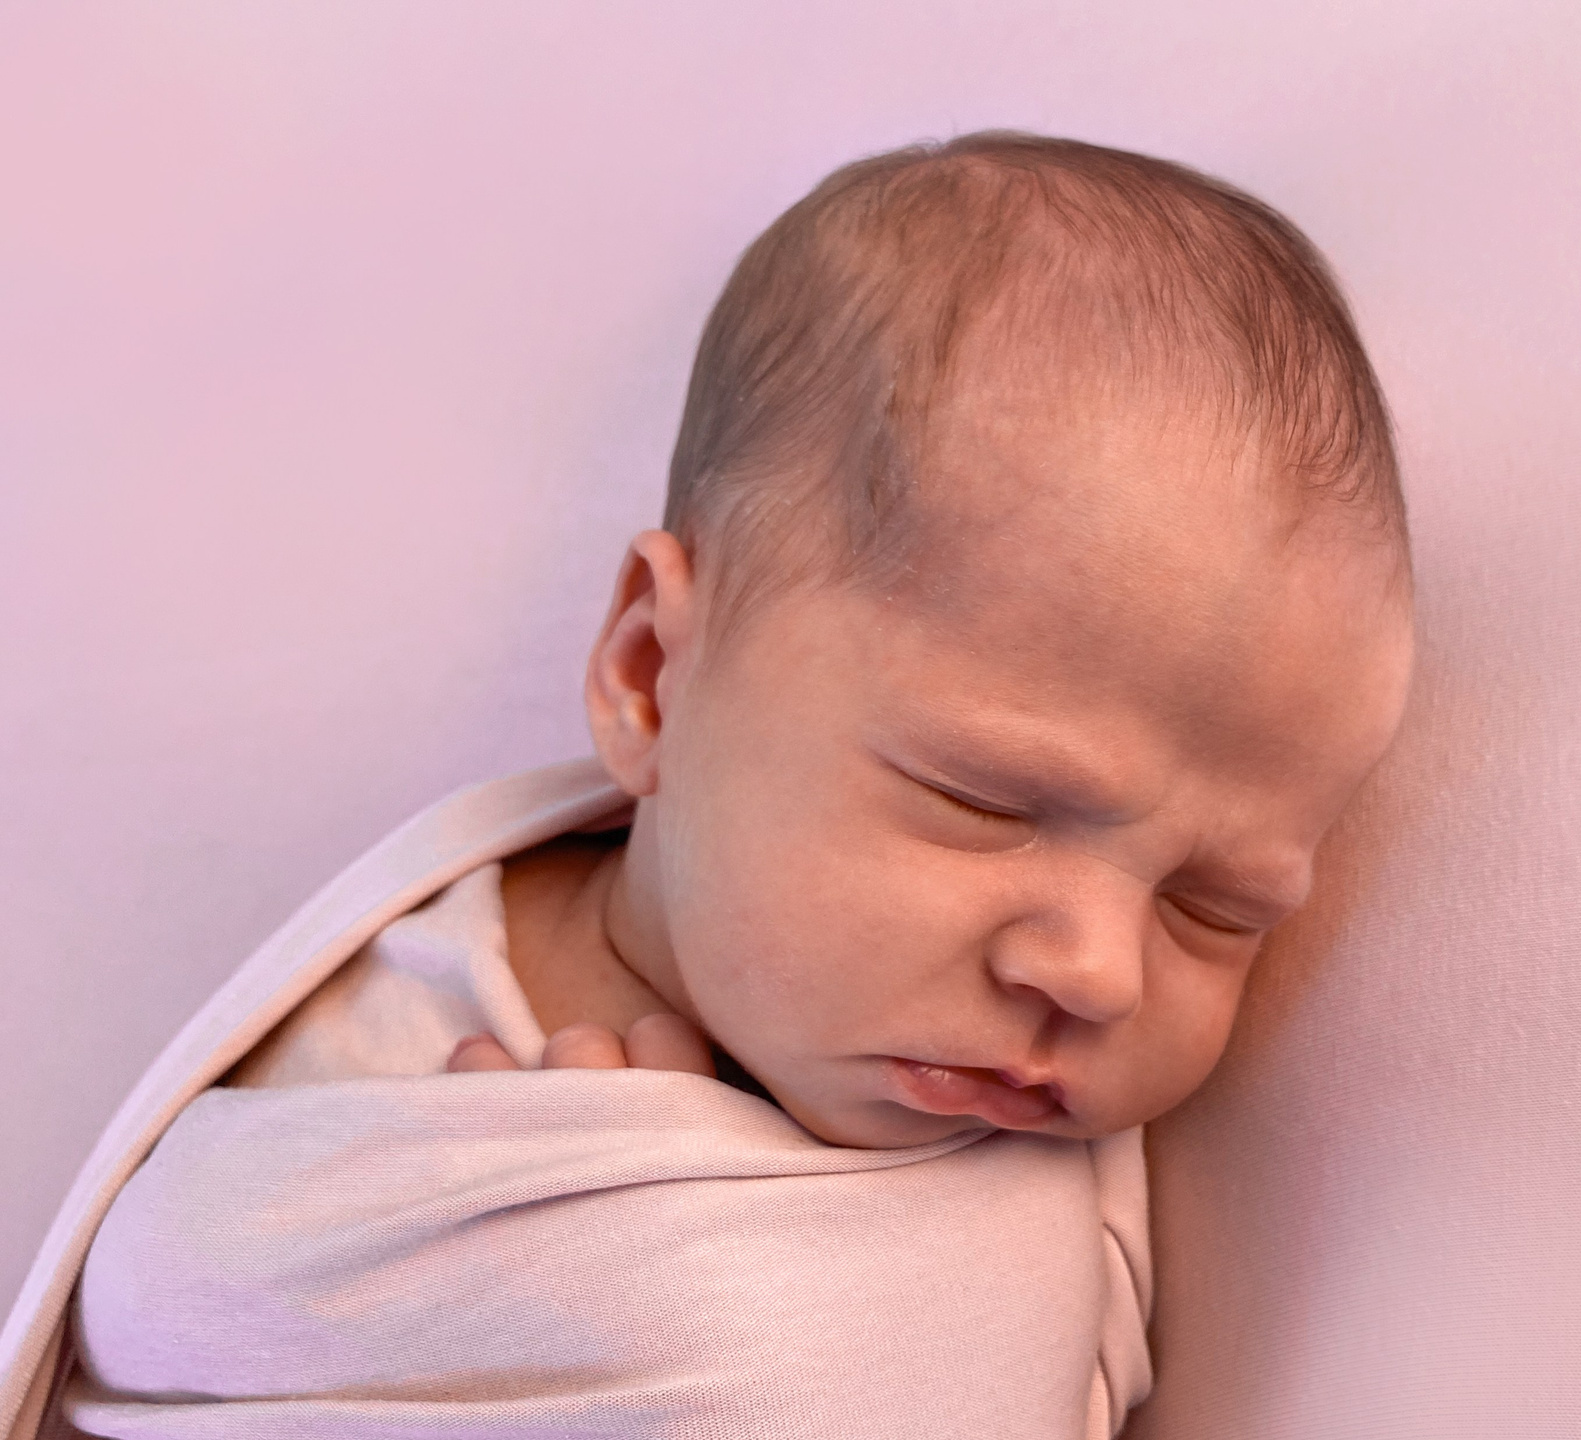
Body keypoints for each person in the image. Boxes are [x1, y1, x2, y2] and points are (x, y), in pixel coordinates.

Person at [1, 131, 1414, 1440]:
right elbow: (162, 1326)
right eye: (984, 803)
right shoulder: (384, 1036)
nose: (1099, 971)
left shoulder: (1048, 1177)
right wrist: (553, 1284)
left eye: (1216, 906)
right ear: (652, 677)